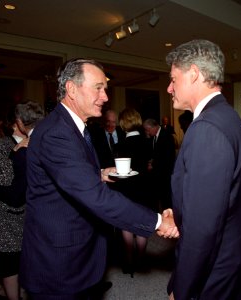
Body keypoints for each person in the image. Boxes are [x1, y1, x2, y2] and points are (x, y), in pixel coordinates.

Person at [19, 58, 178, 299]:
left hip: (76, 252)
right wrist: (157, 222)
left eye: (106, 89)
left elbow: (65, 175)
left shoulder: (75, 127)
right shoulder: (56, 133)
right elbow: (94, 196)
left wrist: (97, 173)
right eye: (98, 88)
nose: (105, 96)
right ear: (71, 89)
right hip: (59, 263)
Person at [165, 39, 241, 300]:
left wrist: (182, 288)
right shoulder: (228, 116)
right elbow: (222, 197)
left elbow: (204, 228)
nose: (169, 88)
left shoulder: (206, 128)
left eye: (173, 79)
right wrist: (181, 212)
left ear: (194, 74)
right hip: (236, 258)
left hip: (218, 273)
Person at [0, 102, 43, 300]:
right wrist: (15, 152)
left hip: (29, 213)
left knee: (26, 261)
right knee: (9, 262)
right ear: (17, 122)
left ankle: (2, 293)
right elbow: (0, 179)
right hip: (6, 216)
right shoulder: (1, 144)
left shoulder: (36, 141)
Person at [114, 109, 152, 277]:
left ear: (123, 123)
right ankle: (141, 259)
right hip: (145, 189)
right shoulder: (147, 142)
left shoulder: (120, 145)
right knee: (142, 224)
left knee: (127, 225)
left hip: (126, 190)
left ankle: (129, 262)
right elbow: (150, 165)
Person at [143, 118, 176, 211]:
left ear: (153, 127)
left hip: (165, 175)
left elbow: (168, 158)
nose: (147, 132)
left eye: (148, 130)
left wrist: (153, 165)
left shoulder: (167, 136)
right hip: (157, 175)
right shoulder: (153, 137)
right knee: (158, 201)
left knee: (166, 202)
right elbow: (154, 153)